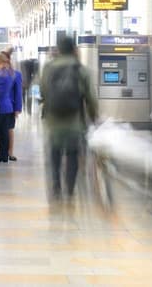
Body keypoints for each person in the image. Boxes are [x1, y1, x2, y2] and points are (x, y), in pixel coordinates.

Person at [39, 36, 98, 199]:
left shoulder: (48, 67)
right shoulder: (81, 69)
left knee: (54, 153)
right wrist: (94, 118)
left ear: (59, 49)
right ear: (73, 49)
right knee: (72, 155)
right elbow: (91, 98)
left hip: (53, 120)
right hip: (75, 121)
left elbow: (42, 92)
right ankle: (70, 189)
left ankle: (56, 185)